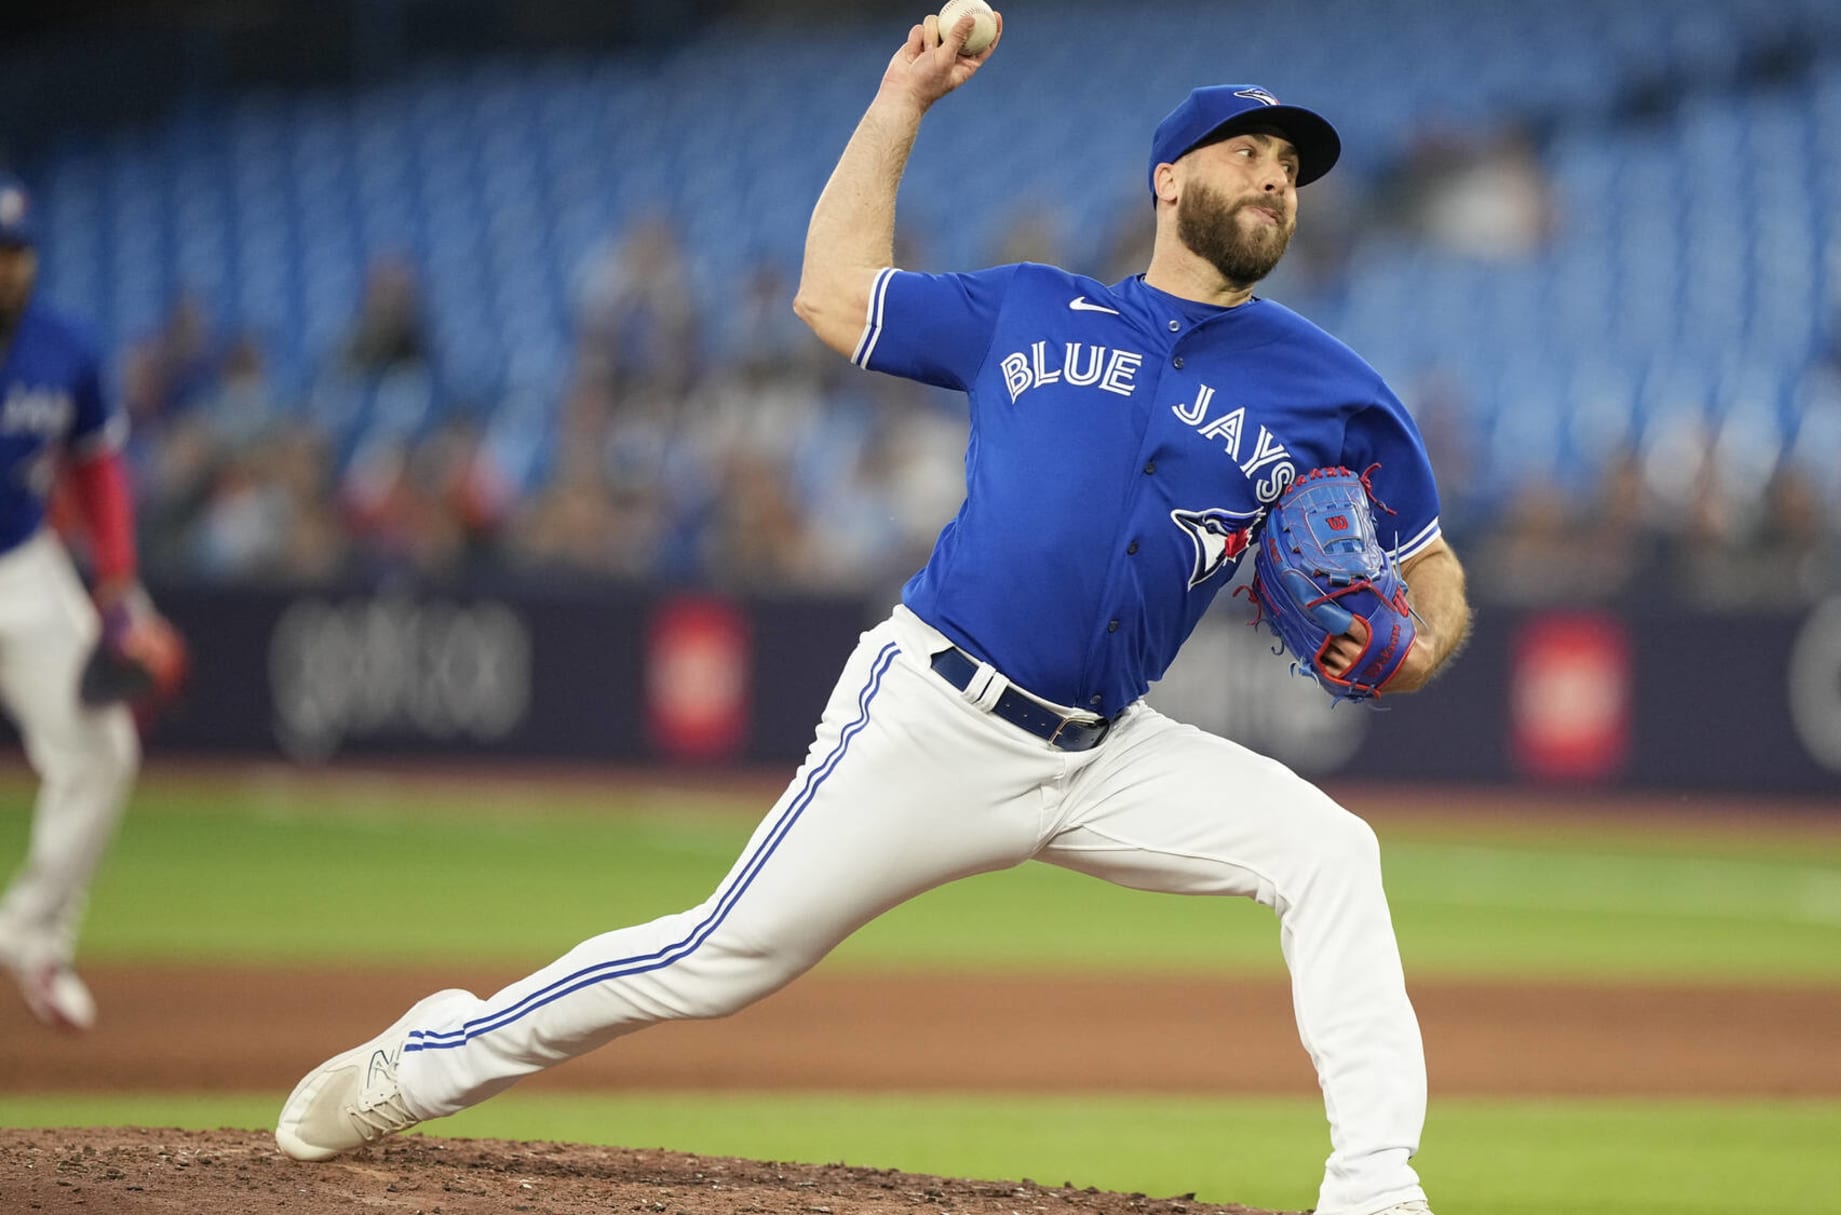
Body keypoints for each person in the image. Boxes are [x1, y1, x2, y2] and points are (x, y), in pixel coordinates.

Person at [276, 16, 1471, 1215]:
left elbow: (1431, 568)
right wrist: (904, 97)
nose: (1275, 174)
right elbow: (831, 294)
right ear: (1169, 178)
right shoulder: (1034, 309)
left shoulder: (1332, 387)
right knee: (714, 961)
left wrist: (1421, 650)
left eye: (1290, 165)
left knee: (1331, 852)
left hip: (1108, 750)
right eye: (1246, 150)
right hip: (938, 718)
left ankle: (1375, 1190)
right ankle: (427, 1061)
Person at [0, 174, 159, 1031]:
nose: (7, 268)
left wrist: (119, 585)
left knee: (104, 752)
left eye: (17, 252)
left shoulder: (66, 345)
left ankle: (33, 935)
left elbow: (97, 466)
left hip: (23, 565)